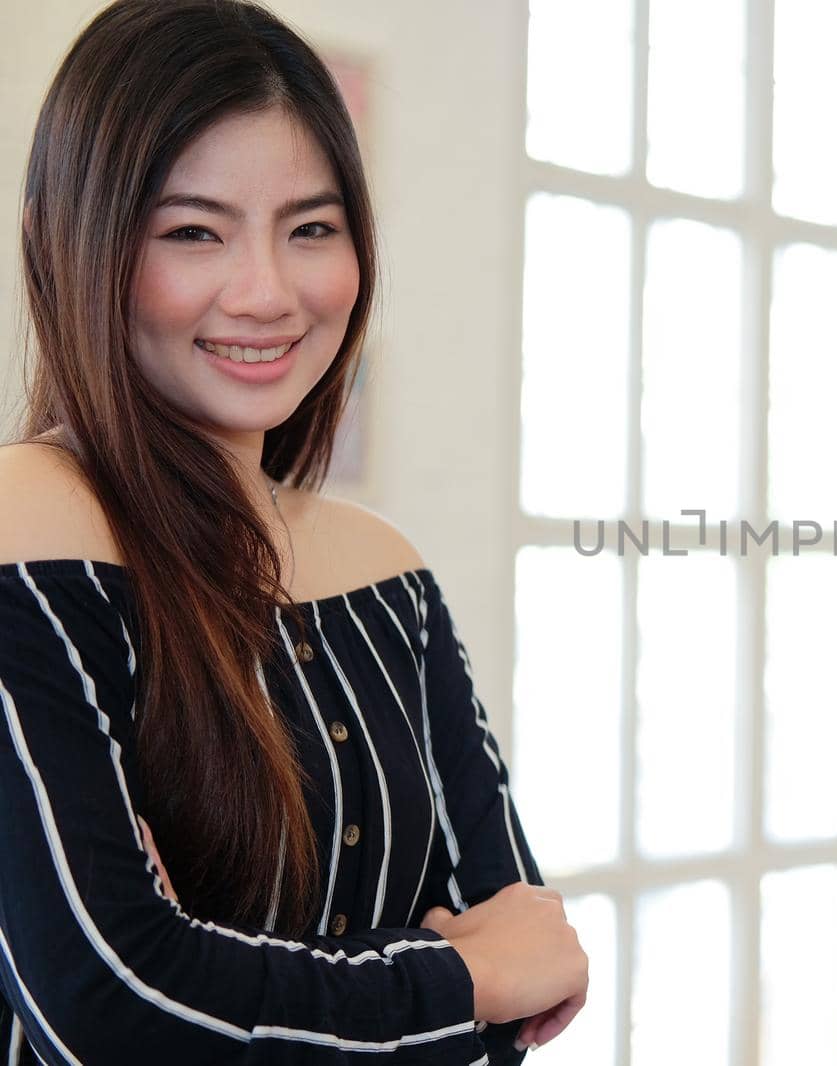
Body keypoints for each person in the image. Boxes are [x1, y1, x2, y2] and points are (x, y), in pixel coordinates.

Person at [0, 1, 587, 1062]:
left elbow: (529, 975)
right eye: (193, 232)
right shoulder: (21, 532)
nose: (267, 292)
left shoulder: (384, 570)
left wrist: (225, 972)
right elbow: (112, 1011)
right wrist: (464, 970)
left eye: (311, 228)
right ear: (71, 240)